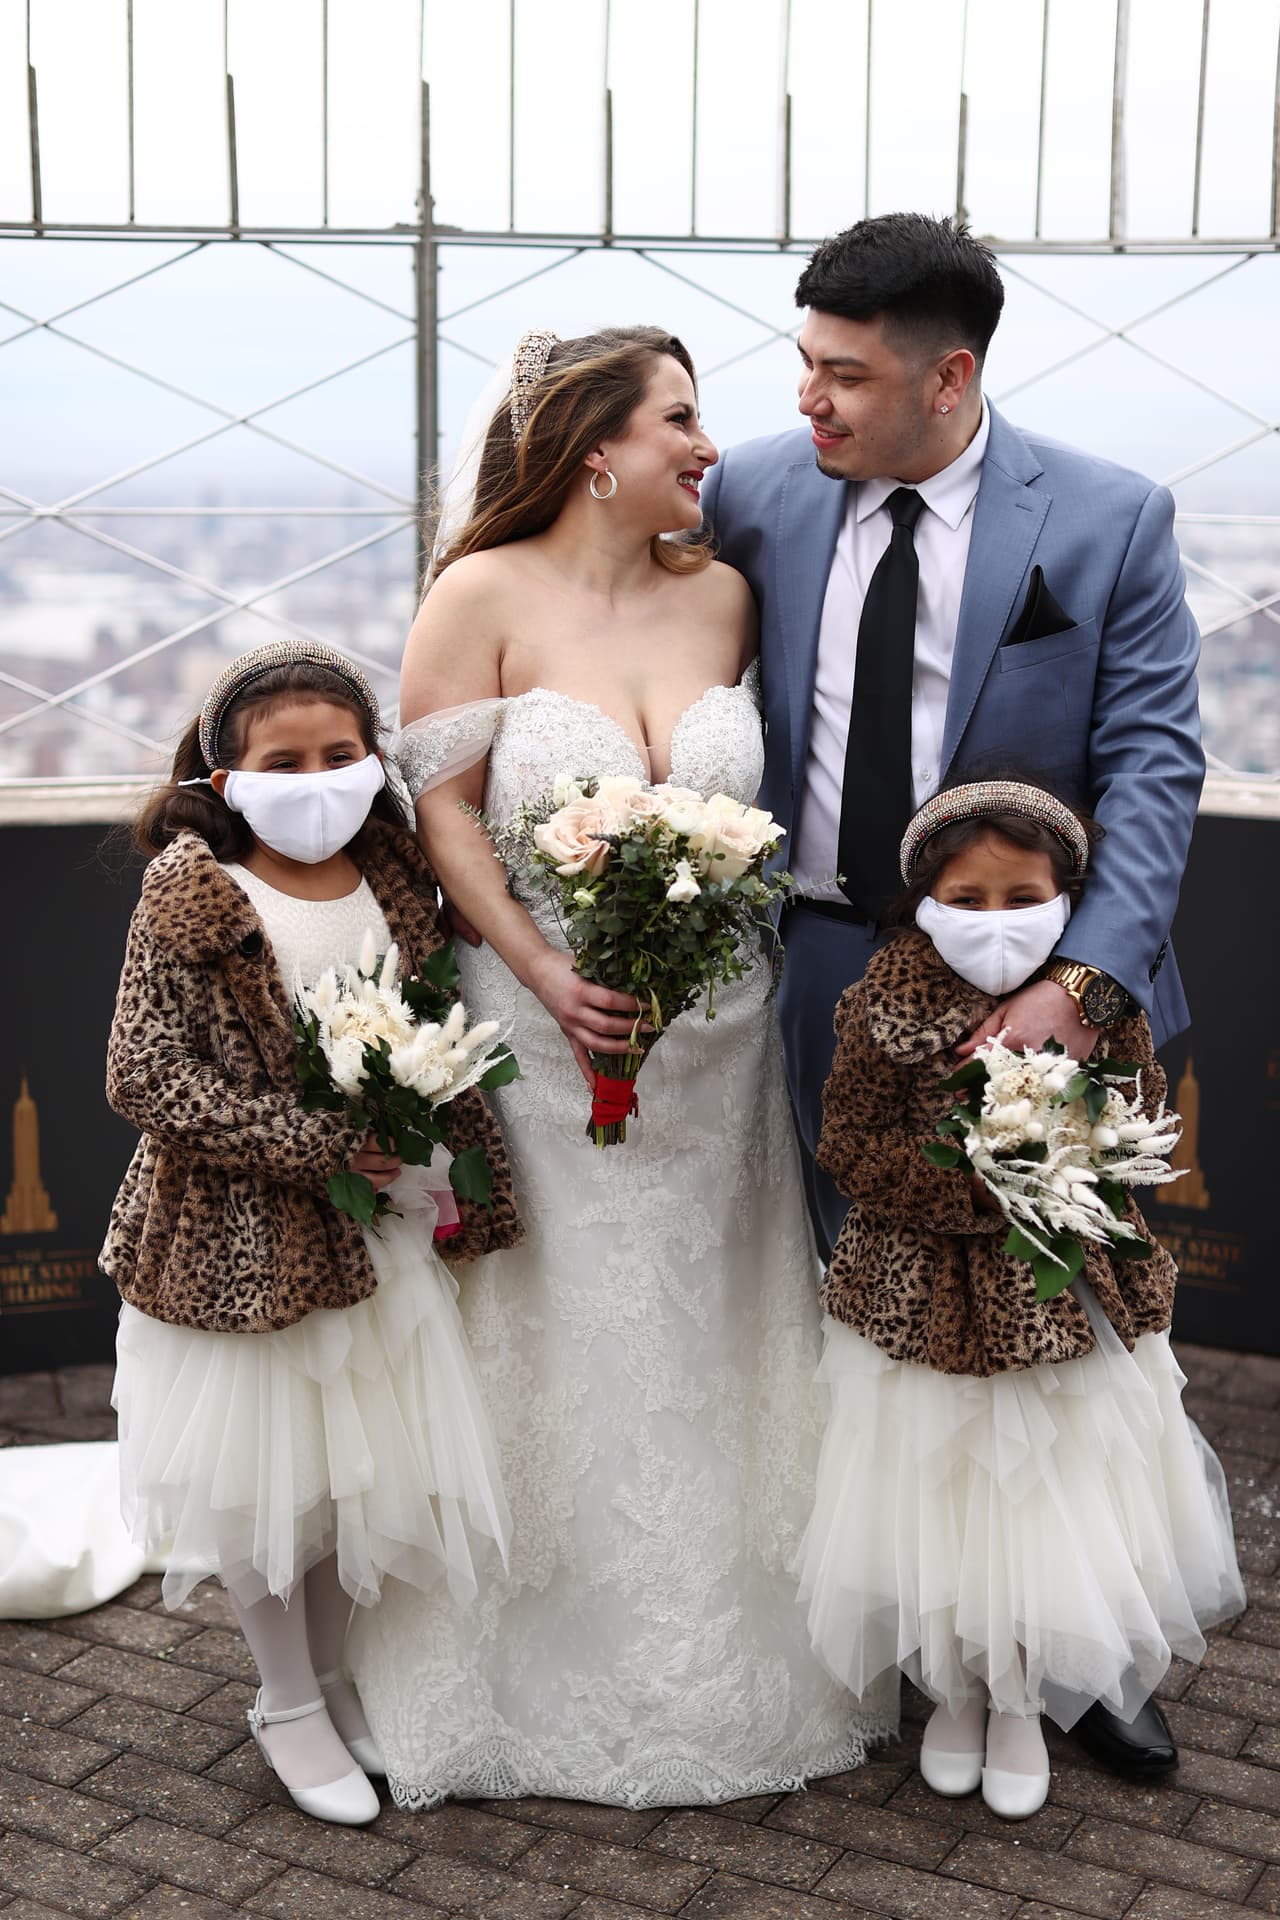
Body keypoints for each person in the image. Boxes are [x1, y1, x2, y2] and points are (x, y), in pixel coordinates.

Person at [347, 326, 886, 1810]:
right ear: (599, 448)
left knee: (722, 1320)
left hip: (716, 1049)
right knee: (558, 1326)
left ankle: (753, 1642)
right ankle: (531, 1655)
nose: (711, 448)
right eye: (683, 420)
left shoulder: (724, 597)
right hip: (540, 1026)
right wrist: (539, 969)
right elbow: (446, 812)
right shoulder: (478, 593)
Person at [698, 212, 1204, 1777]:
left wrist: (1082, 986)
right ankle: (927, 1640)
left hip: (1039, 986)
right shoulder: (757, 500)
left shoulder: (1111, 519)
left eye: (842, 375)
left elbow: (1152, 763)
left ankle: (1088, 1652)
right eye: (801, 364)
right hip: (822, 970)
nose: (805, 402)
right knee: (885, 1317)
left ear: (951, 376)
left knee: (1064, 1331)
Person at [101, 640, 521, 1826]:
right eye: (283, 761)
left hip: (375, 1234)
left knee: (351, 1476)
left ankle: (336, 1680)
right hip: (239, 1245)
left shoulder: (391, 874)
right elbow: (144, 1077)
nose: (317, 778)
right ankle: (283, 1697)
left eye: (341, 754)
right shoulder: (196, 893)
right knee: (264, 1482)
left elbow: (428, 1022)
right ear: (223, 777)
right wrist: (316, 1143)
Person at [797, 776, 1243, 1818]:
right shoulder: (875, 1010)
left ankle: (1015, 1699)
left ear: (1063, 896)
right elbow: (847, 1145)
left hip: (1058, 1301)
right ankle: (953, 1690)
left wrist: (1058, 1169)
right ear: (920, 901)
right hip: (913, 1303)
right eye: (964, 897)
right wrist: (961, 1183)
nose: (992, 921)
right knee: (939, 1488)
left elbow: (1129, 1135)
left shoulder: (1093, 1014)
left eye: (1019, 897)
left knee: (1040, 1488)